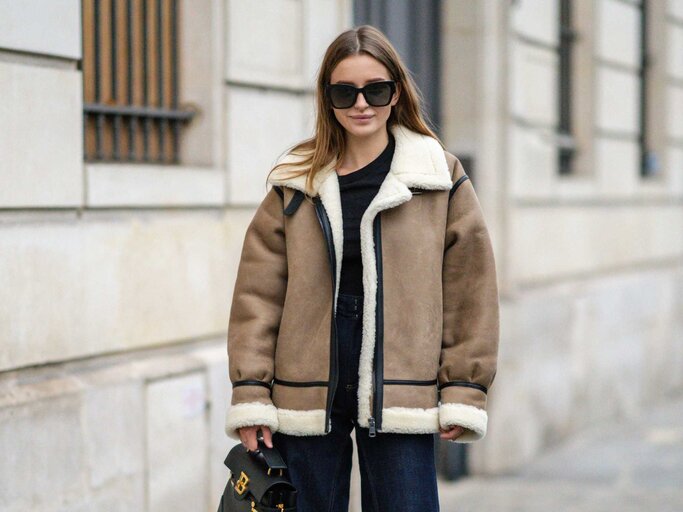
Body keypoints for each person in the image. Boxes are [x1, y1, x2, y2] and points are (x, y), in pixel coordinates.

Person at [224, 25, 499, 511]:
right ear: (326, 98)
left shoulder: (437, 175)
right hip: (306, 379)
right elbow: (258, 294)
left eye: (375, 89)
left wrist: (463, 386)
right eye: (344, 91)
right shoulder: (296, 180)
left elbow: (469, 289)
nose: (361, 103)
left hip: (402, 378)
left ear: (396, 92)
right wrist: (251, 392)